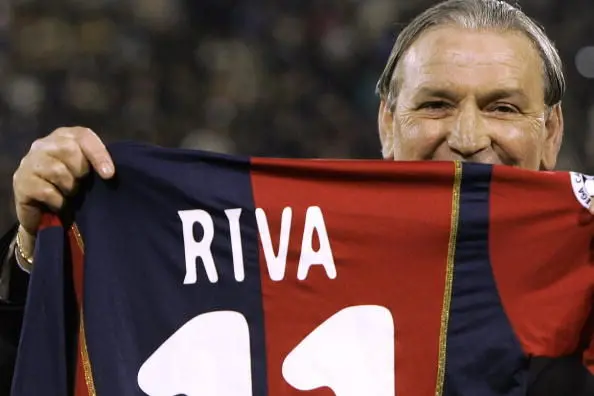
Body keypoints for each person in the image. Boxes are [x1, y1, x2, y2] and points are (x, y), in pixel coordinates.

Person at [1, 0, 593, 394]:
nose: (467, 138)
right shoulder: (267, 248)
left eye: (504, 108)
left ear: (553, 131)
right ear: (387, 123)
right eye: (435, 103)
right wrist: (38, 247)